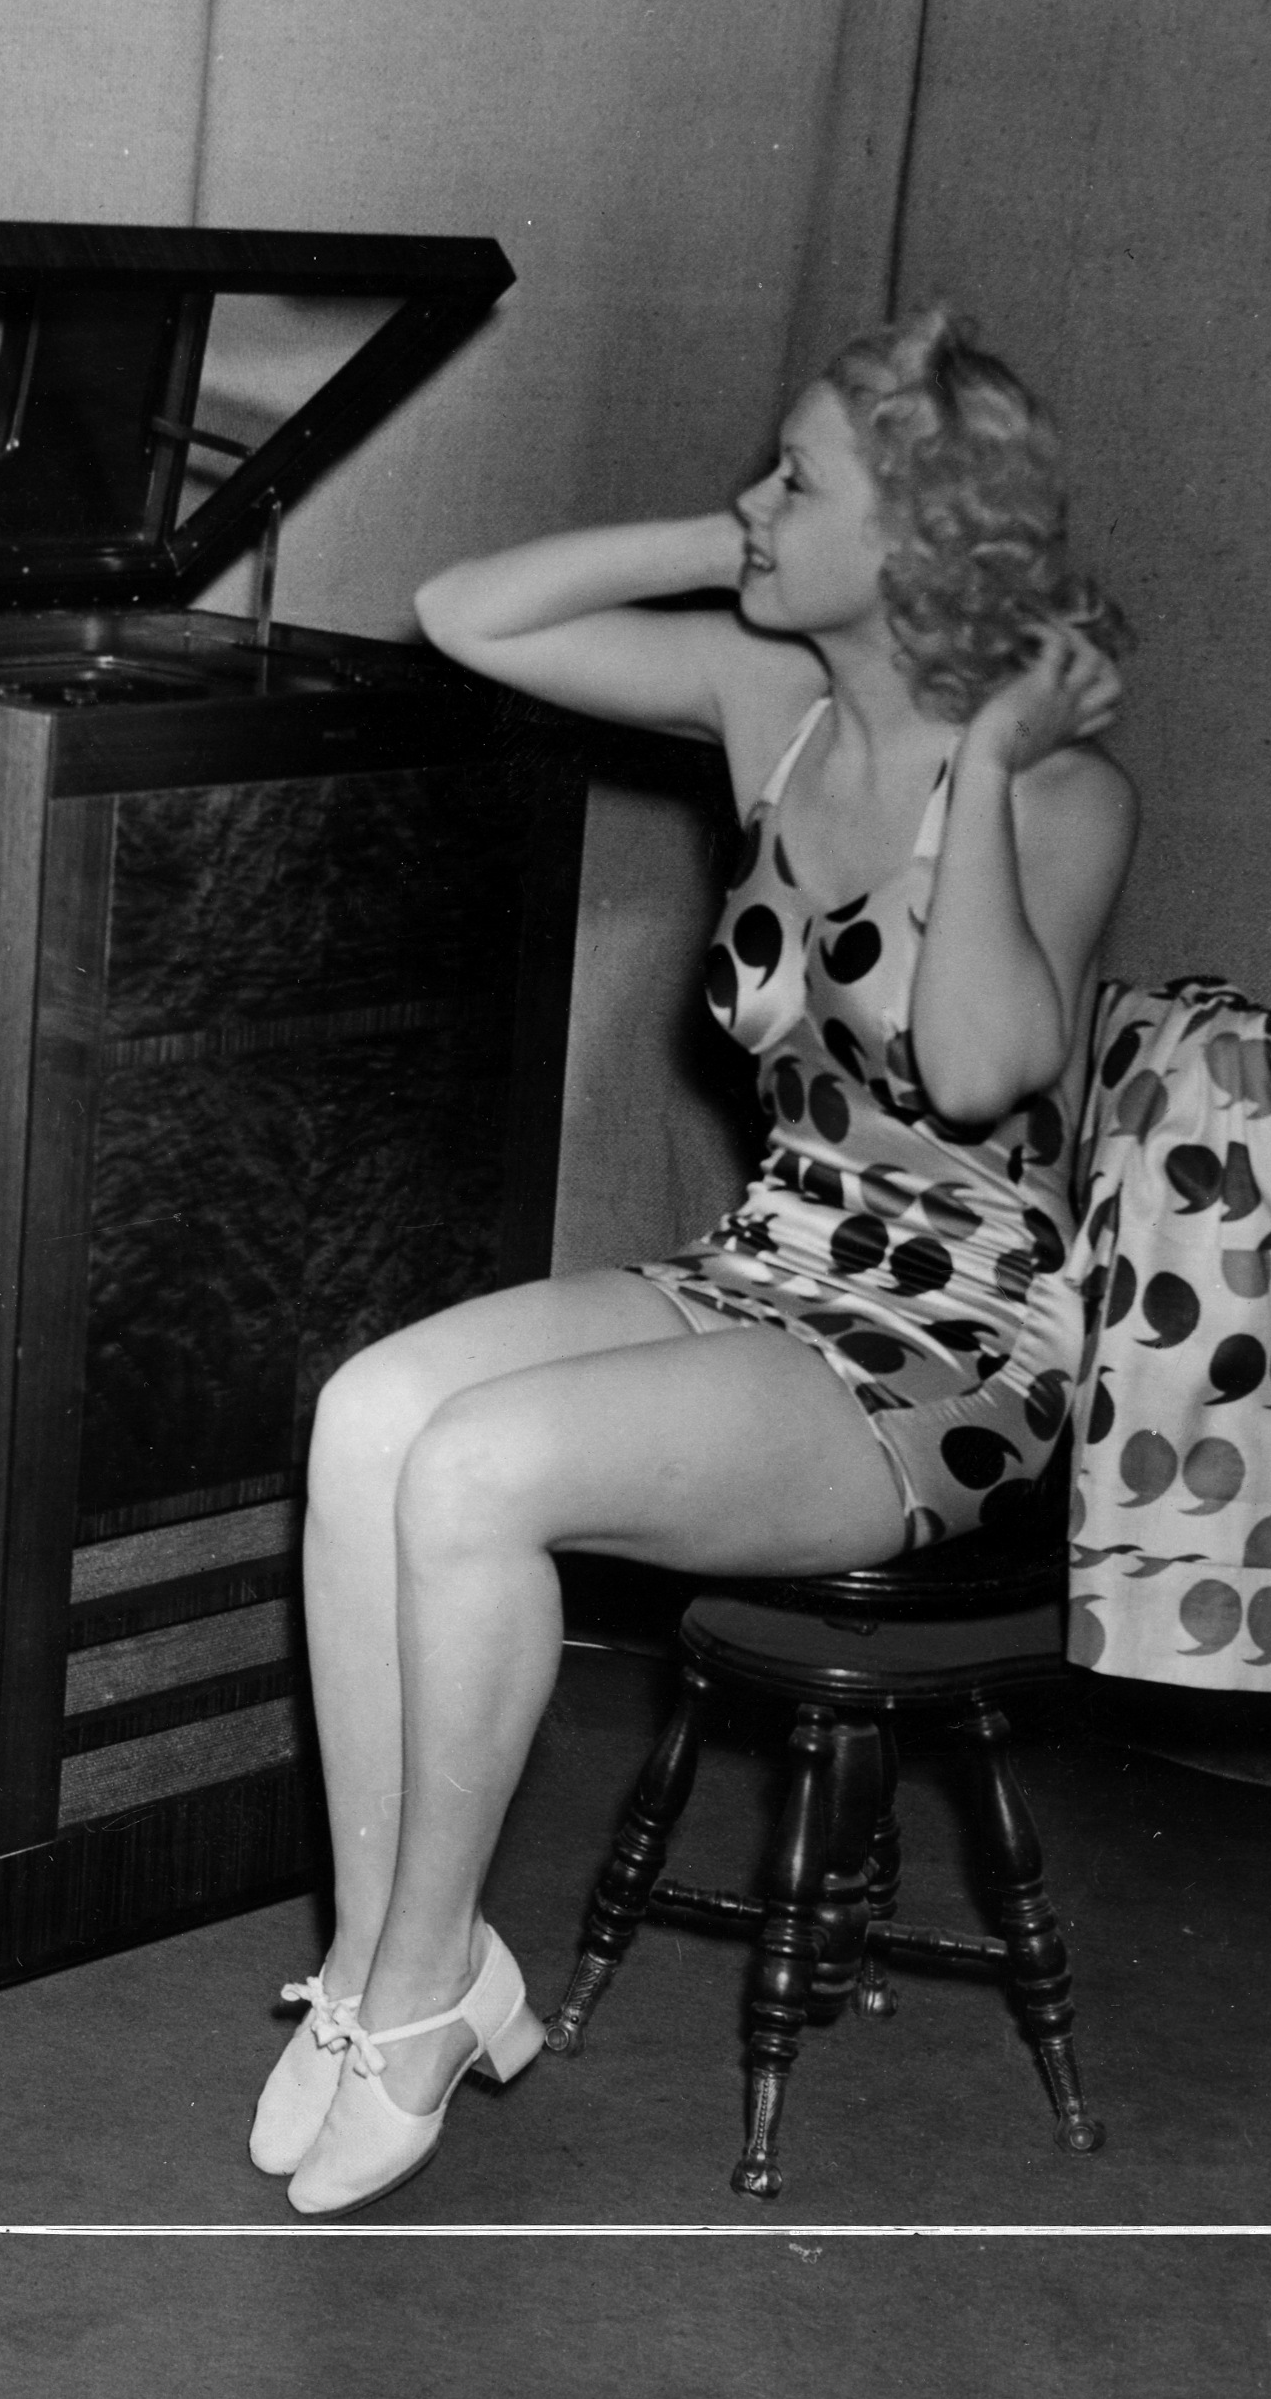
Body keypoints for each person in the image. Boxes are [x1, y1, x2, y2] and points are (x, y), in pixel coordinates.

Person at [250, 311, 1137, 2218]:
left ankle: (412, 1994)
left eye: (795, 480)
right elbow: (460, 605)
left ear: (916, 537)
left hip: (945, 1350)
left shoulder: (1063, 797)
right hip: (768, 1264)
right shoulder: (774, 709)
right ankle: (395, 1966)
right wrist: (735, 540)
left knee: (479, 1471)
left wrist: (979, 766)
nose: (751, 501)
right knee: (369, 1411)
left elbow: (981, 1064)